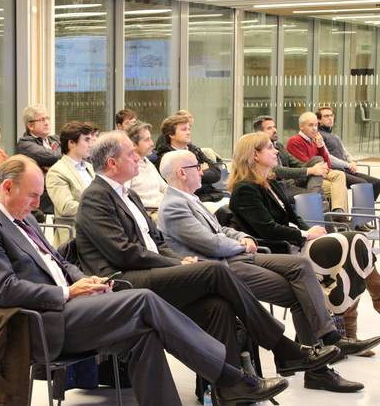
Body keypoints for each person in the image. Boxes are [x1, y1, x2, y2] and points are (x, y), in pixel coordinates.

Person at [0, 154, 290, 406]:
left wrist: (84, 281)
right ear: (6, 188)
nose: (36, 205)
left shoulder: (22, 217)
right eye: (32, 196)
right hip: (38, 323)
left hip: (68, 306)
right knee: (142, 299)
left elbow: (60, 261)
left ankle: (221, 385)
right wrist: (66, 292)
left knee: (142, 335)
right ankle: (230, 377)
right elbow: (3, 290)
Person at [74, 131, 338, 377]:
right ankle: (282, 347)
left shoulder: (128, 194)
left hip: (150, 270)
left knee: (218, 307)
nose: (138, 158)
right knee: (215, 269)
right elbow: (124, 253)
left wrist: (177, 261)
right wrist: (174, 262)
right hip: (125, 279)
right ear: (111, 163)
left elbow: (155, 241)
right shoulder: (95, 197)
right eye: (131, 154)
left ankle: (233, 385)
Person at [158, 150, 379, 392]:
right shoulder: (173, 206)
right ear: (181, 173)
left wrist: (241, 236)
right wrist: (240, 244)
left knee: (302, 269)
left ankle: (328, 338)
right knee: (301, 294)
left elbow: (221, 230)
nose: (202, 170)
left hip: (239, 256)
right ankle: (319, 368)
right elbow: (210, 243)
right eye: (196, 167)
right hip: (223, 266)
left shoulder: (190, 199)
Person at [227, 132, 380, 344]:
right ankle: (367, 309)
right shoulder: (245, 189)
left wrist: (312, 231)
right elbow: (267, 230)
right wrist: (307, 235)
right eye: (270, 148)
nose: (276, 151)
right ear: (255, 155)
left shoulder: (269, 182)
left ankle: (350, 331)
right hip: (279, 250)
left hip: (297, 243)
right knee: (354, 242)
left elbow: (294, 217)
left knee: (353, 252)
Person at [286, 112, 349, 216]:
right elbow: (305, 165)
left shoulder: (315, 140)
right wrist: (321, 168)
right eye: (310, 125)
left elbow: (328, 164)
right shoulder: (294, 141)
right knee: (339, 189)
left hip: (321, 172)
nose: (315, 128)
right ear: (301, 127)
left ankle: (338, 212)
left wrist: (320, 147)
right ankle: (339, 218)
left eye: (316, 125)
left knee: (340, 175)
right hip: (307, 178)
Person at [253, 115, 325, 203]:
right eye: (269, 128)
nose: (275, 130)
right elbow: (277, 170)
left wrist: (318, 168)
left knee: (317, 160)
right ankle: (315, 198)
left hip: (292, 181)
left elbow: (298, 164)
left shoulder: (279, 146)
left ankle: (314, 197)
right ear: (260, 133)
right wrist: (311, 170)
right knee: (319, 196)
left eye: (274, 127)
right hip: (278, 186)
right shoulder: (258, 149)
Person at [45, 121, 95, 245]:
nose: (91, 144)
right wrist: (98, 209)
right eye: (86, 140)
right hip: (75, 234)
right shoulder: (57, 171)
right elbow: (66, 207)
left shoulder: (89, 167)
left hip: (95, 229)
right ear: (71, 143)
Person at [155, 114, 224, 202]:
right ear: (171, 135)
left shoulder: (194, 150)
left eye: (189, 129)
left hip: (212, 195)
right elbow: (181, 183)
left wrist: (193, 173)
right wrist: (203, 170)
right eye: (184, 129)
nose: (188, 132)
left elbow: (216, 173)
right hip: (193, 199)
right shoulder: (167, 157)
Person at [317, 106, 380, 200]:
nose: (330, 118)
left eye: (331, 115)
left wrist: (353, 161)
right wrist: (348, 165)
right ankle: (361, 211)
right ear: (319, 120)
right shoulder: (319, 135)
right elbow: (328, 157)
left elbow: (345, 153)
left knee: (376, 182)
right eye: (326, 116)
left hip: (346, 169)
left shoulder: (334, 136)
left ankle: (368, 210)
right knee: (363, 184)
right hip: (336, 171)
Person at [16, 105, 61, 216]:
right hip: (44, 196)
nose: (47, 122)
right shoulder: (25, 144)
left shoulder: (55, 139)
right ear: (30, 126)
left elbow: (73, 154)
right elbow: (55, 156)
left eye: (47, 118)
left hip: (58, 187)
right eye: (42, 120)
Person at [125, 122, 167, 217]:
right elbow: (125, 197)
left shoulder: (147, 162)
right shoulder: (128, 167)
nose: (152, 143)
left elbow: (164, 188)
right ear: (133, 144)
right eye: (147, 140)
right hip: (148, 214)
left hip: (162, 209)